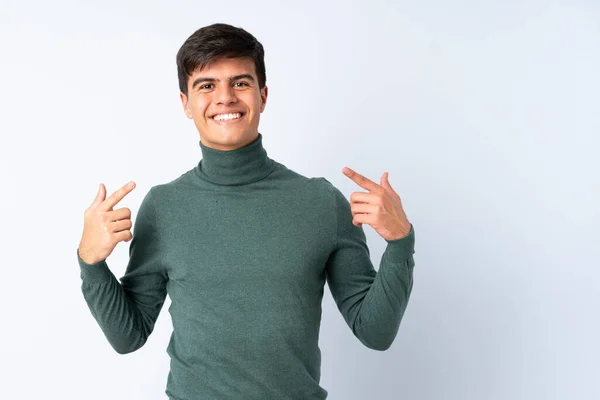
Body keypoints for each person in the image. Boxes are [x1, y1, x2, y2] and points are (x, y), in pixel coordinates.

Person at [77, 22, 416, 400]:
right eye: (206, 85)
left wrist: (401, 243)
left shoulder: (321, 202)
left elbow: (376, 332)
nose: (225, 97)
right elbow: (129, 336)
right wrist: (90, 262)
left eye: (240, 82)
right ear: (185, 104)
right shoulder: (163, 207)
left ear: (263, 95)